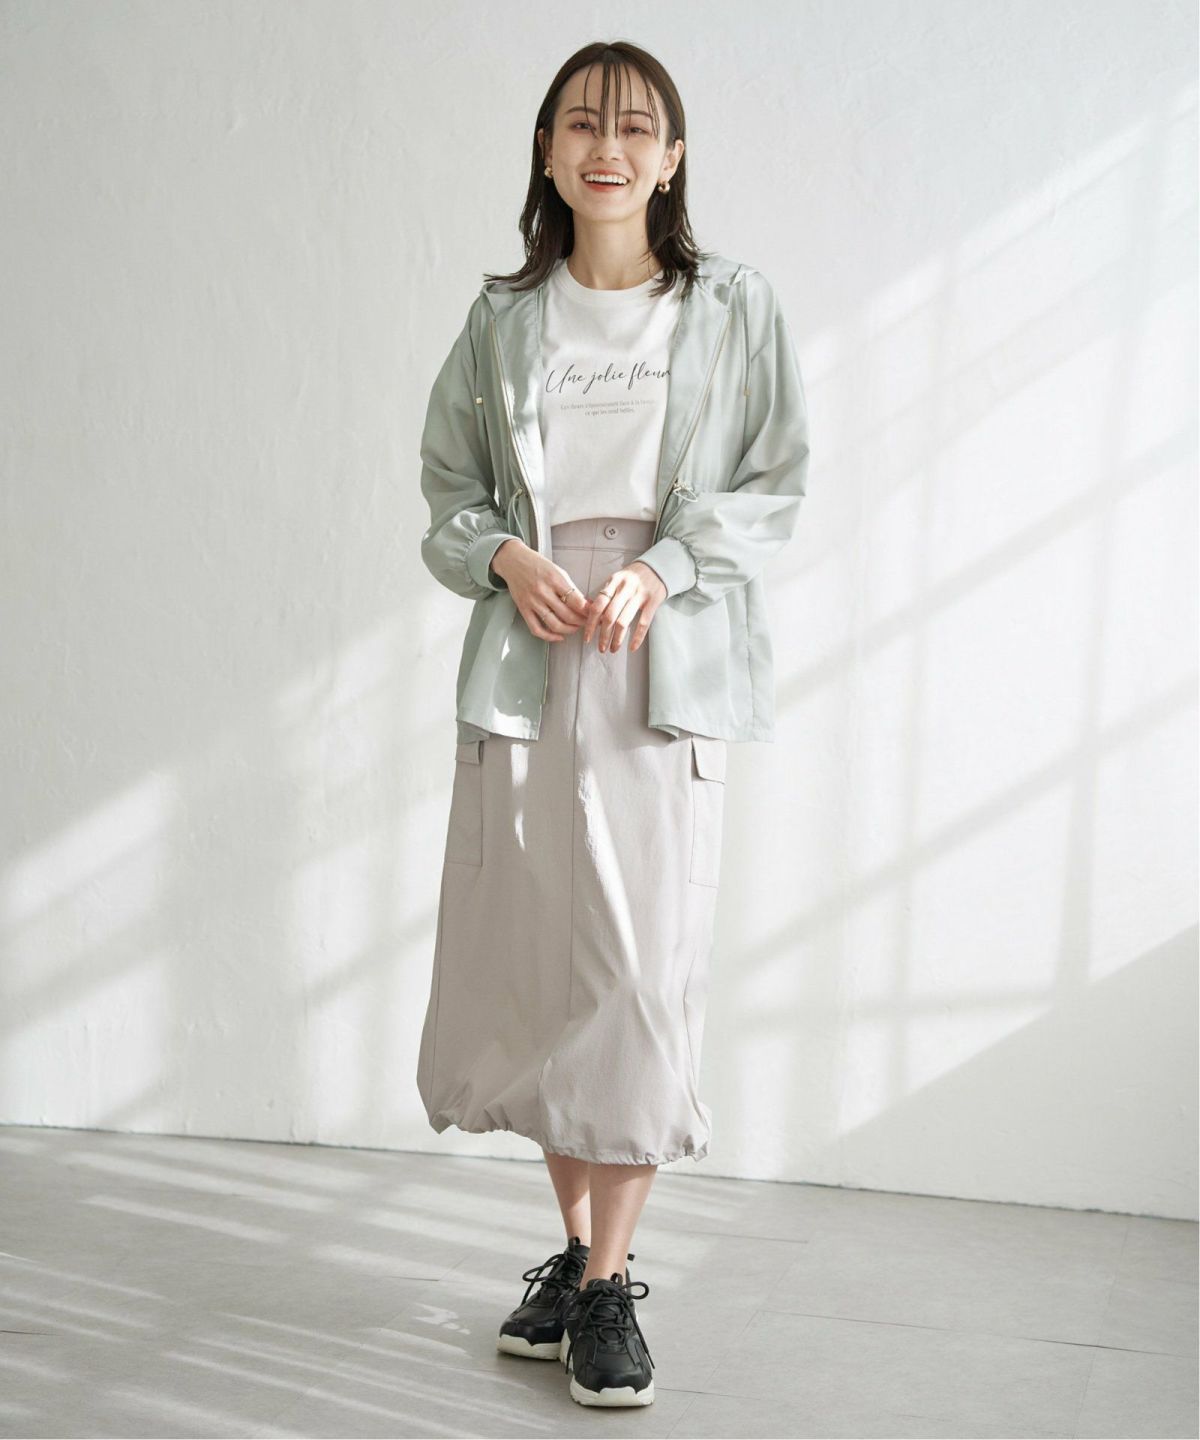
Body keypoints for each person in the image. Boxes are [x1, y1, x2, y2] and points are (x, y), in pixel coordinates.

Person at [415, 39, 810, 1408]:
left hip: (661, 656)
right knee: (543, 972)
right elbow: (450, 489)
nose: (609, 146)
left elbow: (773, 482)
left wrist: (669, 565)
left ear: (673, 157)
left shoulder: (732, 308)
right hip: (530, 659)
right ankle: (581, 1261)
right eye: (582, 124)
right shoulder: (503, 320)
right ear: (547, 150)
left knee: (640, 975)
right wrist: (503, 558)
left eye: (637, 127)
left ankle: (605, 1285)